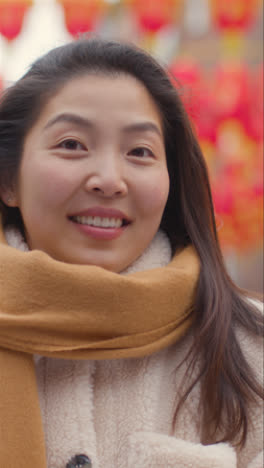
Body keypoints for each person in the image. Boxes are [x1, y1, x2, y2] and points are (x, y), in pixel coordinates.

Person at [0, 37, 262, 468]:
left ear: (171, 179)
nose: (108, 179)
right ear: (9, 179)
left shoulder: (250, 352)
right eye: (72, 144)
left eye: (139, 152)